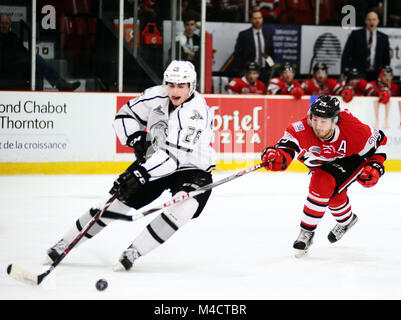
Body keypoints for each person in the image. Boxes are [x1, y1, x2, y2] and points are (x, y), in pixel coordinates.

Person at [45, 60, 216, 271]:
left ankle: (135, 251)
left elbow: (173, 159)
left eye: (181, 86)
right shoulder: (156, 95)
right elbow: (125, 116)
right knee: (115, 201)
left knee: (184, 207)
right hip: (157, 158)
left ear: (192, 86)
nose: (175, 90)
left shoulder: (196, 113)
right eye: (171, 84)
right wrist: (135, 138)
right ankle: (65, 242)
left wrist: (141, 172)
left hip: (193, 166)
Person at [261, 95, 387, 258]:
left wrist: (375, 166)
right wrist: (277, 156)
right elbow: (286, 148)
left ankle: (306, 233)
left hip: (351, 160)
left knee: (322, 182)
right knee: (334, 198)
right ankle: (347, 221)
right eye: (314, 119)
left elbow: (380, 143)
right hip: (324, 163)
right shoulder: (300, 128)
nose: (317, 126)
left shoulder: (354, 129)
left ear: (335, 120)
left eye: (323, 121)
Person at [0, 13, 80, 91]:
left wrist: (24, 56)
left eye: (6, 23)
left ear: (10, 24)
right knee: (35, 59)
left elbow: (22, 51)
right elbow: (6, 57)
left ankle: (39, 95)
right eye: (2, 23)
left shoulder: (13, 36)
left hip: (17, 68)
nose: (4, 26)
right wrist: (23, 57)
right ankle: (61, 85)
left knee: (36, 67)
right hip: (5, 71)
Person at [341, 10, 390, 82]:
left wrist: (384, 73)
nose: (371, 22)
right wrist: (343, 71)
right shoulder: (355, 35)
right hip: (358, 73)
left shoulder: (383, 37)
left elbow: (386, 58)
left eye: (374, 19)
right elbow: (346, 54)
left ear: (378, 21)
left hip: (376, 74)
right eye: (369, 19)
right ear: (365, 21)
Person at [231, 9, 275, 86]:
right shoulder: (244, 35)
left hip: (264, 71)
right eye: (255, 18)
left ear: (262, 19)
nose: (258, 20)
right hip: (249, 71)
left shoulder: (268, 34)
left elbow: (270, 53)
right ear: (251, 20)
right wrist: (241, 71)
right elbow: (238, 54)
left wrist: (270, 69)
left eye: (259, 18)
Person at [172, 12, 200, 77]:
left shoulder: (199, 39)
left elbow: (201, 57)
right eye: (187, 25)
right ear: (184, 25)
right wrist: (193, 54)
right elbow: (176, 55)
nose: (190, 27)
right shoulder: (178, 38)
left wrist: (188, 52)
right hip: (181, 72)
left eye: (192, 24)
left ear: (195, 25)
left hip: (196, 72)